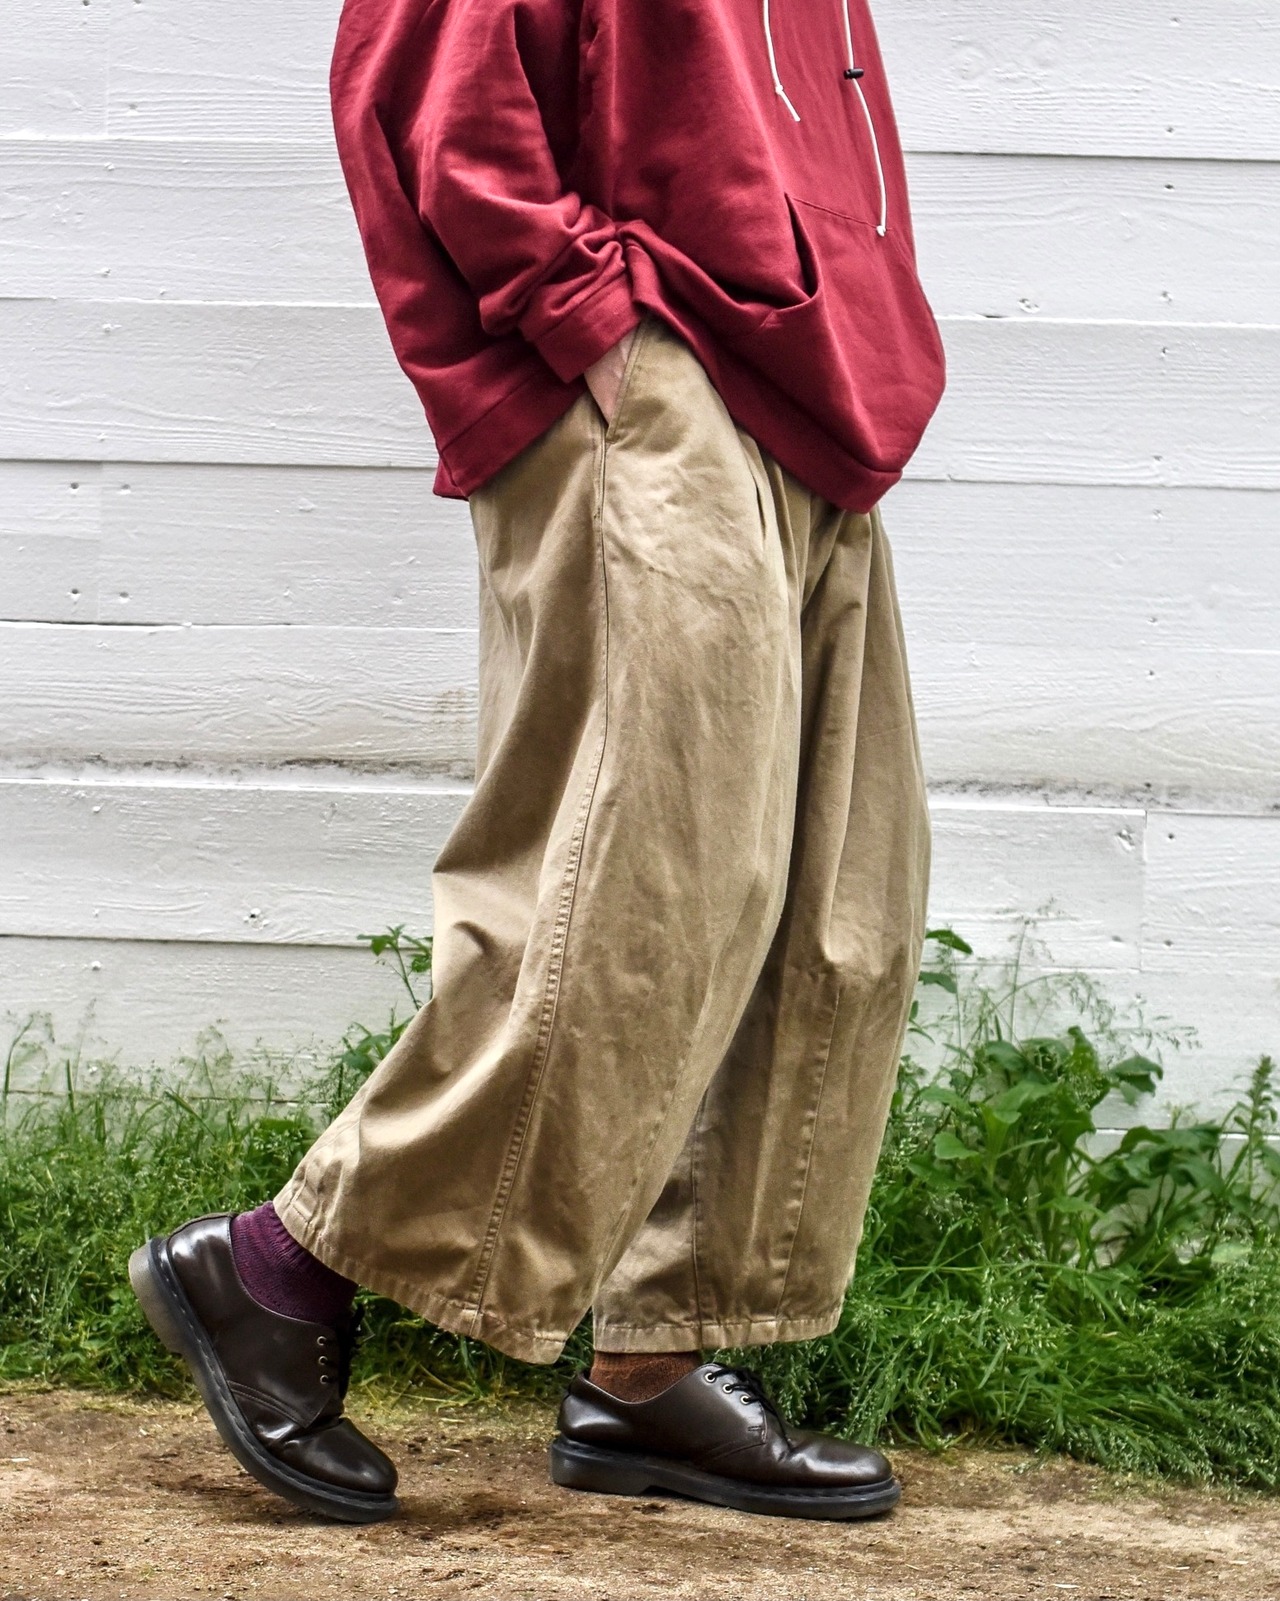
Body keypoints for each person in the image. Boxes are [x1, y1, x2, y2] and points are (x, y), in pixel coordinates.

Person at [130, 0, 945, 1525]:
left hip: (815, 386)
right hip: (659, 370)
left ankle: (650, 1364)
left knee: (835, 901)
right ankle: (278, 1267)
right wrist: (592, 327)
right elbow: (416, 73)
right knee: (645, 880)